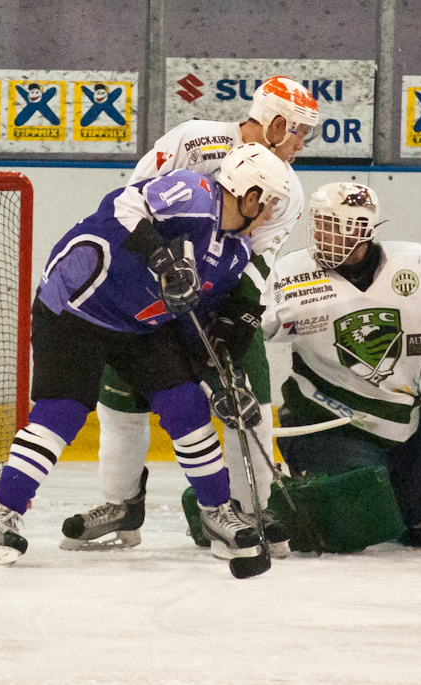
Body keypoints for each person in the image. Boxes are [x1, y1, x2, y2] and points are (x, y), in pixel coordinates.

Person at [0, 143, 291, 565]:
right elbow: (122, 205)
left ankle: (216, 513)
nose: (270, 217)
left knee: (186, 404)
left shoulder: (234, 254)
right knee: (62, 411)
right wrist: (161, 257)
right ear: (250, 197)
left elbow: (201, 330)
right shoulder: (194, 192)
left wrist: (220, 384)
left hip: (139, 325)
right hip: (77, 304)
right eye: (269, 206)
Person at [60, 76, 319, 556]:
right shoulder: (193, 139)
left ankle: (252, 510)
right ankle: (122, 506)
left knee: (248, 401)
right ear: (276, 121)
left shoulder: (288, 190)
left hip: (219, 299)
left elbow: (259, 262)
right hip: (151, 291)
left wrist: (234, 324)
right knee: (120, 398)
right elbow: (131, 205)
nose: (302, 145)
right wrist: (151, 270)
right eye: (300, 131)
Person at [263, 181, 421, 548]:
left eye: (331, 225)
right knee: (355, 521)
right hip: (325, 421)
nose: (320, 233)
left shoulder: (416, 267)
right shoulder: (290, 274)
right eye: (318, 223)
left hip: (404, 427)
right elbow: (253, 332)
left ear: (361, 230)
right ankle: (254, 504)